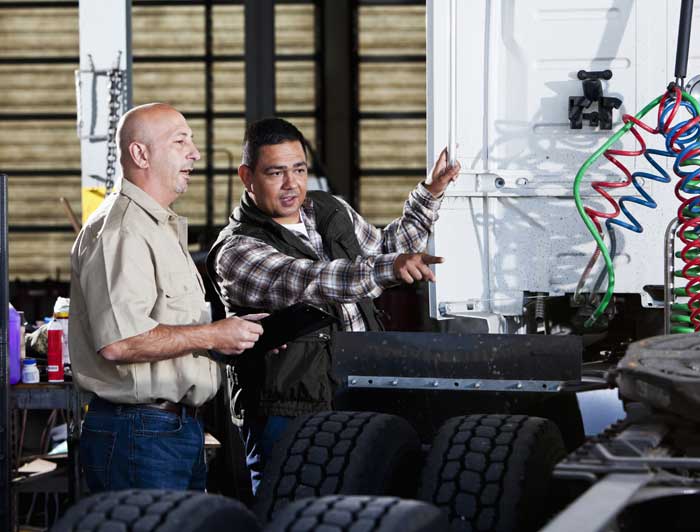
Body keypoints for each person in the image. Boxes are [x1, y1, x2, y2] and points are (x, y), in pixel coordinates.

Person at [207, 117, 461, 493]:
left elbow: (386, 248)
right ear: (247, 176)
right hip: (288, 411)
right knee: (294, 510)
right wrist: (387, 268)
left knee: (365, 507)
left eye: (299, 169)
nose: (292, 184)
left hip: (360, 391)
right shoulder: (237, 250)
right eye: (276, 172)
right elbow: (311, 280)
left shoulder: (328, 210)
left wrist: (430, 193)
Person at [69, 102, 265, 493]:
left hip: (169, 431)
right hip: (139, 434)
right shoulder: (122, 232)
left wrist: (234, 338)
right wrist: (212, 335)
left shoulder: (158, 227)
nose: (194, 153)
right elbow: (120, 342)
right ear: (140, 154)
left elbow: (170, 328)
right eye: (180, 141)